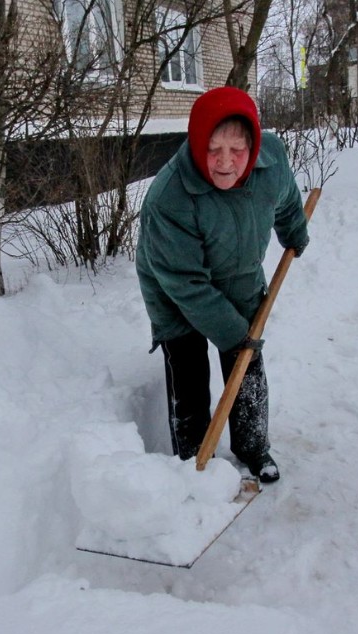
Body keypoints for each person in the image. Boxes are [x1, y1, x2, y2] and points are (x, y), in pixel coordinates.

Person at [135, 86, 309, 483]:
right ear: (197, 143)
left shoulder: (271, 159)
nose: (226, 162)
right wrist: (233, 333)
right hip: (174, 288)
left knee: (246, 363)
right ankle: (194, 458)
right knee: (188, 368)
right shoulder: (170, 197)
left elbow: (284, 198)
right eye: (213, 149)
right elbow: (185, 282)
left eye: (237, 150)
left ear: (254, 147)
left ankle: (253, 446)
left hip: (239, 270)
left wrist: (294, 231)